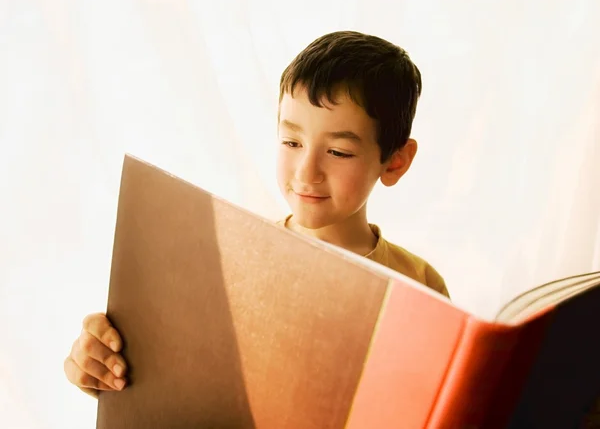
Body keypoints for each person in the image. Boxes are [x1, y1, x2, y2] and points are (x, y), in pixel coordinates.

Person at [63, 30, 450, 398]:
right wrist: (99, 363)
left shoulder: (420, 285)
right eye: (291, 142)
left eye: (338, 152)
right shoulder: (229, 265)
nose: (305, 172)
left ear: (395, 162)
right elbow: (163, 380)